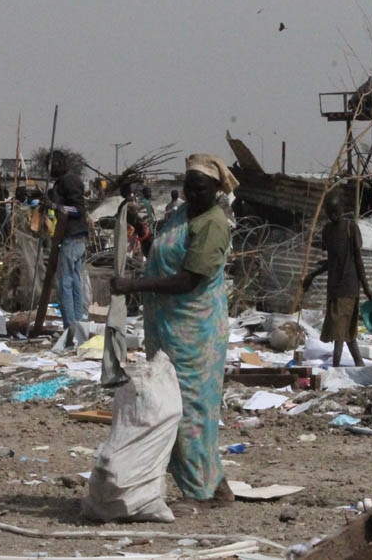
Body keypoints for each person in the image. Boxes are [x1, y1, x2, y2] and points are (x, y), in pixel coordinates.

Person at [110, 153, 237, 517]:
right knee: (175, 402)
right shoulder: (182, 217)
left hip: (195, 330)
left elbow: (189, 279)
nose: (194, 193)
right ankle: (215, 484)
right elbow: (160, 255)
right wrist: (140, 227)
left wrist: (133, 285)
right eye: (189, 186)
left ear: (216, 190)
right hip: (169, 326)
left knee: (190, 408)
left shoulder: (213, 223)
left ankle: (199, 492)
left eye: (202, 188)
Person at [302, 192, 372, 367]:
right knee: (345, 330)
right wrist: (312, 275)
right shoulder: (328, 230)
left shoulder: (351, 229)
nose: (333, 215)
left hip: (349, 285)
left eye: (336, 211)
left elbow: (358, 259)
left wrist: (366, 288)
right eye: (329, 212)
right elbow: (332, 260)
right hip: (333, 286)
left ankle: (335, 366)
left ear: (342, 208)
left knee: (339, 330)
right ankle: (359, 364)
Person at [47, 150, 89, 343]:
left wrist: (56, 207)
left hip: (72, 237)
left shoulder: (68, 181)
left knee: (65, 283)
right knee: (74, 281)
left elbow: (77, 210)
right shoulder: (63, 182)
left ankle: (71, 327)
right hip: (76, 237)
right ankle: (78, 325)